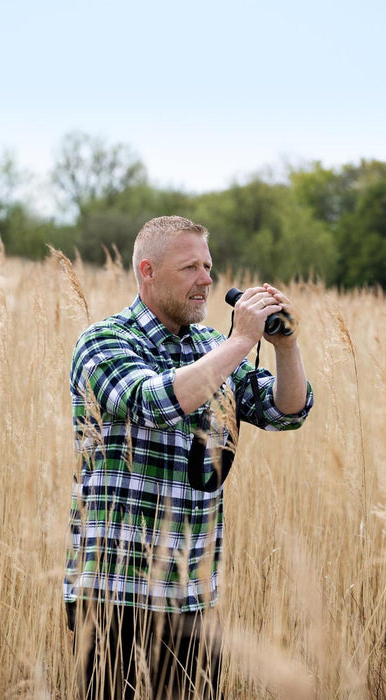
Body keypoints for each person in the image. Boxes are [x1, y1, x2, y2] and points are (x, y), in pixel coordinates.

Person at [64, 215, 314, 699]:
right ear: (148, 271)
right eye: (190, 268)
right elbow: (155, 402)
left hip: (191, 597)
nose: (207, 280)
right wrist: (241, 341)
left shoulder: (210, 347)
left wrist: (286, 346)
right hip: (114, 594)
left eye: (208, 265)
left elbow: (287, 412)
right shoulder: (104, 341)